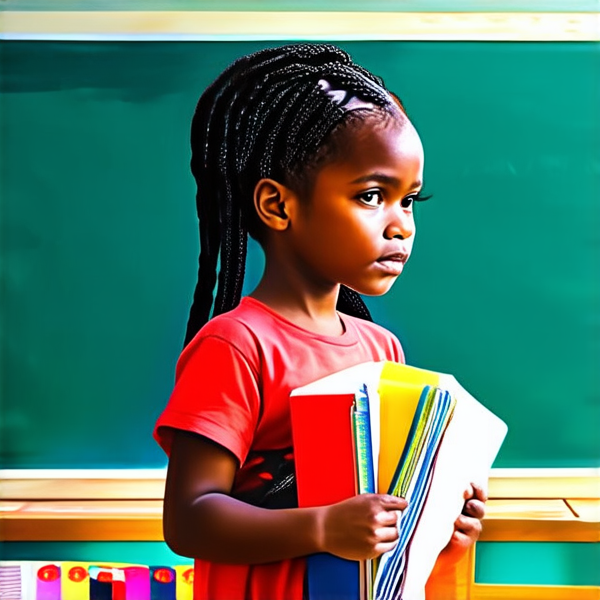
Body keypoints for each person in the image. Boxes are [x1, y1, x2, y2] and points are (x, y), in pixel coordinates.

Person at [154, 43, 486, 600]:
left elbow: (380, 513)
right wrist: (324, 527)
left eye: (409, 201)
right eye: (372, 195)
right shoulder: (237, 346)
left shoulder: (383, 350)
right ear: (278, 206)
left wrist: (442, 516)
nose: (400, 225)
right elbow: (189, 519)